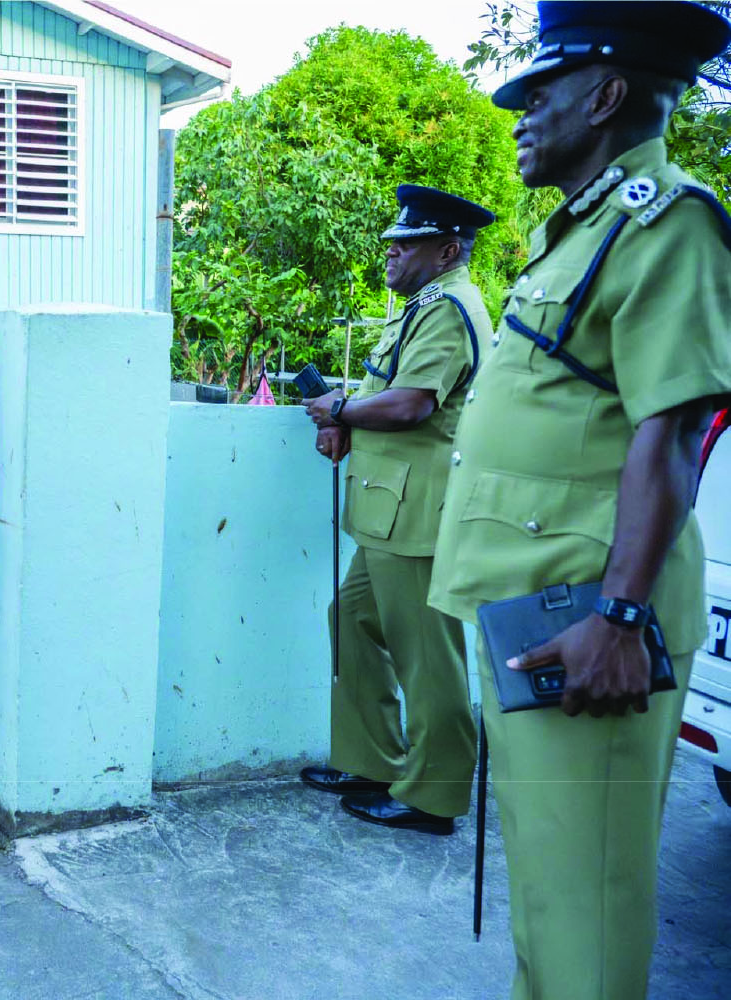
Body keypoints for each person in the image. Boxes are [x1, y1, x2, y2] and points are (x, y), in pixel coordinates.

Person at [426, 4, 731, 997]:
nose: (520, 115)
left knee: (586, 907)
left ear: (605, 96)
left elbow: (674, 431)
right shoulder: (579, 231)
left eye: (538, 93)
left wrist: (621, 617)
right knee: (550, 896)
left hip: (588, 623)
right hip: (536, 608)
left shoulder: (667, 222)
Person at [301, 186, 496, 836]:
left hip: (418, 515)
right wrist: (347, 417)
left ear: (446, 251)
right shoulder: (419, 305)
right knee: (352, 619)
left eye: (407, 243)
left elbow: (413, 403)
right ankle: (371, 762)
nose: (391, 251)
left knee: (427, 657)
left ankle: (435, 797)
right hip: (388, 509)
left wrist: (339, 410)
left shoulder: (447, 309)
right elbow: (385, 389)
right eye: (392, 241)